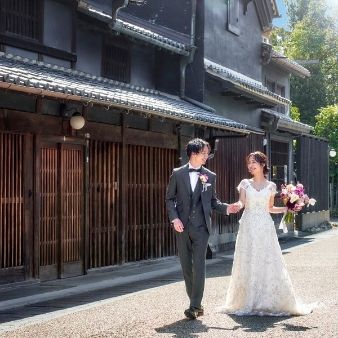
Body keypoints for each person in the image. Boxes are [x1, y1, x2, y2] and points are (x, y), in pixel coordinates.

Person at [222, 151, 315, 316]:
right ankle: (247, 300)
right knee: (248, 258)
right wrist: (236, 205)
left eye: (254, 162)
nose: (250, 165)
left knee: (267, 259)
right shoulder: (245, 183)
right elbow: (242, 202)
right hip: (248, 226)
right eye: (249, 162)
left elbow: (270, 208)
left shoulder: (271, 186)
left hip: (265, 226)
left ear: (262, 164)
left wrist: (288, 208)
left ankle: (267, 300)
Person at [166, 138, 239, 320]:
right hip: (181, 227)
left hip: (202, 227)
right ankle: (196, 303)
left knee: (199, 265)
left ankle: (194, 305)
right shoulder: (177, 174)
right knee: (186, 266)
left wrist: (227, 208)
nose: (207, 156)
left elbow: (213, 201)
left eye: (207, 153)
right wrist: (174, 218)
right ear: (193, 153)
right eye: (204, 153)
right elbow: (169, 199)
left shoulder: (210, 176)